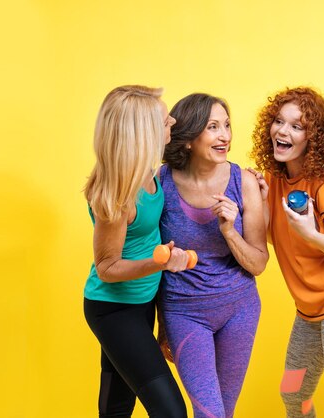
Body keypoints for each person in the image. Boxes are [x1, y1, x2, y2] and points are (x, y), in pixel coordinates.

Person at [248, 86, 324, 418]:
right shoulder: (277, 180)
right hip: (309, 309)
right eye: (278, 121)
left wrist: (311, 233)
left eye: (296, 126)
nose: (282, 131)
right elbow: (278, 238)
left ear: (313, 138)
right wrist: (260, 203)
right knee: (293, 393)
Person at [157, 93, 268, 418]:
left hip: (240, 310)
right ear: (189, 138)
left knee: (225, 411)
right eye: (213, 127)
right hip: (185, 312)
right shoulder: (161, 183)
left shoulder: (244, 182)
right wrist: (161, 323)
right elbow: (149, 253)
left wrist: (230, 230)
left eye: (228, 126)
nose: (226, 136)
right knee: (210, 413)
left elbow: (259, 263)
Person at [83, 85, 188, 418]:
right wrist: (161, 262)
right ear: (142, 131)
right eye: (163, 118)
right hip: (113, 311)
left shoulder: (149, 173)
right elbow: (107, 267)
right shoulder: (117, 190)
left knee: (116, 408)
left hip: (142, 305)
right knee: (171, 412)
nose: (171, 119)